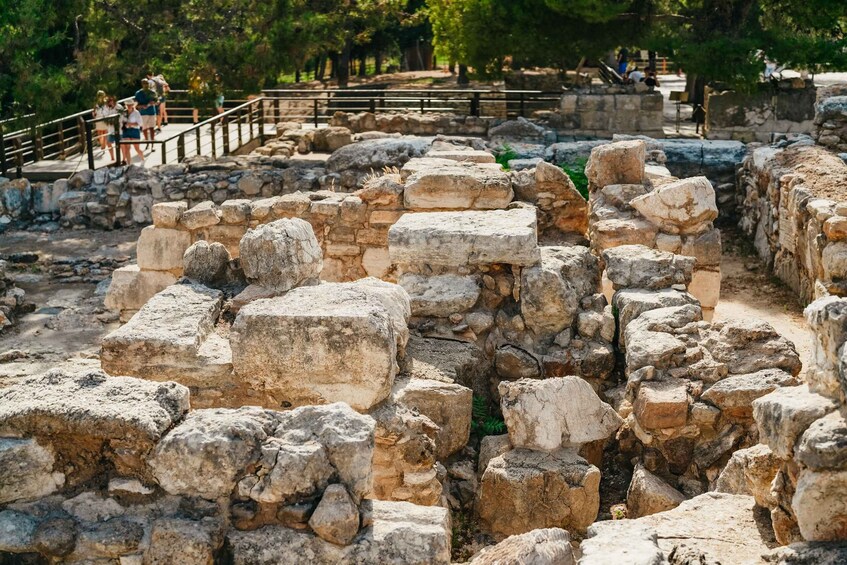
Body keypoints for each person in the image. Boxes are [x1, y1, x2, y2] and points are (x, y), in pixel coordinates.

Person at [134, 79, 159, 150]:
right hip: (143, 113)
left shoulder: (152, 92)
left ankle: (152, 144)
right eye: (144, 83)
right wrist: (142, 106)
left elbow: (157, 101)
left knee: (152, 128)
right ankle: (147, 141)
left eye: (147, 83)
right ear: (142, 84)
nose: (146, 85)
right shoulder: (138, 93)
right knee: (144, 128)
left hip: (151, 112)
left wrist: (153, 103)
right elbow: (136, 104)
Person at [120, 100, 145, 165]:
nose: (129, 106)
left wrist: (131, 124)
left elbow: (140, 123)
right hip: (126, 131)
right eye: (128, 105)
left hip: (134, 131)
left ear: (133, 105)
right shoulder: (124, 113)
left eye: (130, 105)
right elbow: (121, 121)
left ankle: (142, 159)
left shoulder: (136, 113)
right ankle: (129, 164)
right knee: (127, 148)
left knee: (136, 148)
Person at [100, 96, 120, 162]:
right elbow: (104, 117)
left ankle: (121, 157)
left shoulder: (118, 107)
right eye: (108, 102)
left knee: (120, 143)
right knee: (109, 142)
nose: (110, 103)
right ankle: (112, 157)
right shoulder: (105, 108)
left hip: (118, 128)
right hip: (110, 129)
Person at [92, 90, 109, 156]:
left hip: (104, 118)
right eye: (99, 95)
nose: (101, 97)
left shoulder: (106, 102)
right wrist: (94, 115)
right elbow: (93, 111)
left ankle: (103, 145)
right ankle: (102, 144)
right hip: (98, 118)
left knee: (104, 132)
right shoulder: (95, 103)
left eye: (102, 95)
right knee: (99, 132)